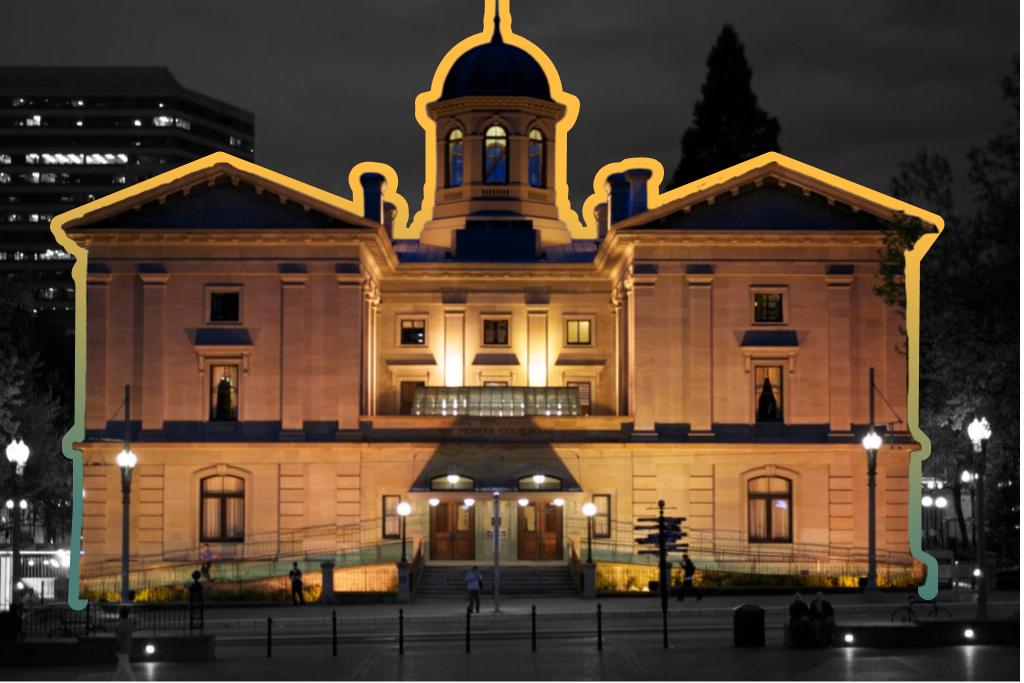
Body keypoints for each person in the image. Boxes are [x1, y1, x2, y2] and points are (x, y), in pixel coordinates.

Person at [113, 606, 135, 681]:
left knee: (125, 666)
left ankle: (133, 680)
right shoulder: (130, 624)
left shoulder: (120, 625)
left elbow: (118, 638)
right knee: (122, 666)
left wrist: (117, 646)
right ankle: (114, 680)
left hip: (121, 648)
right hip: (128, 646)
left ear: (120, 615)